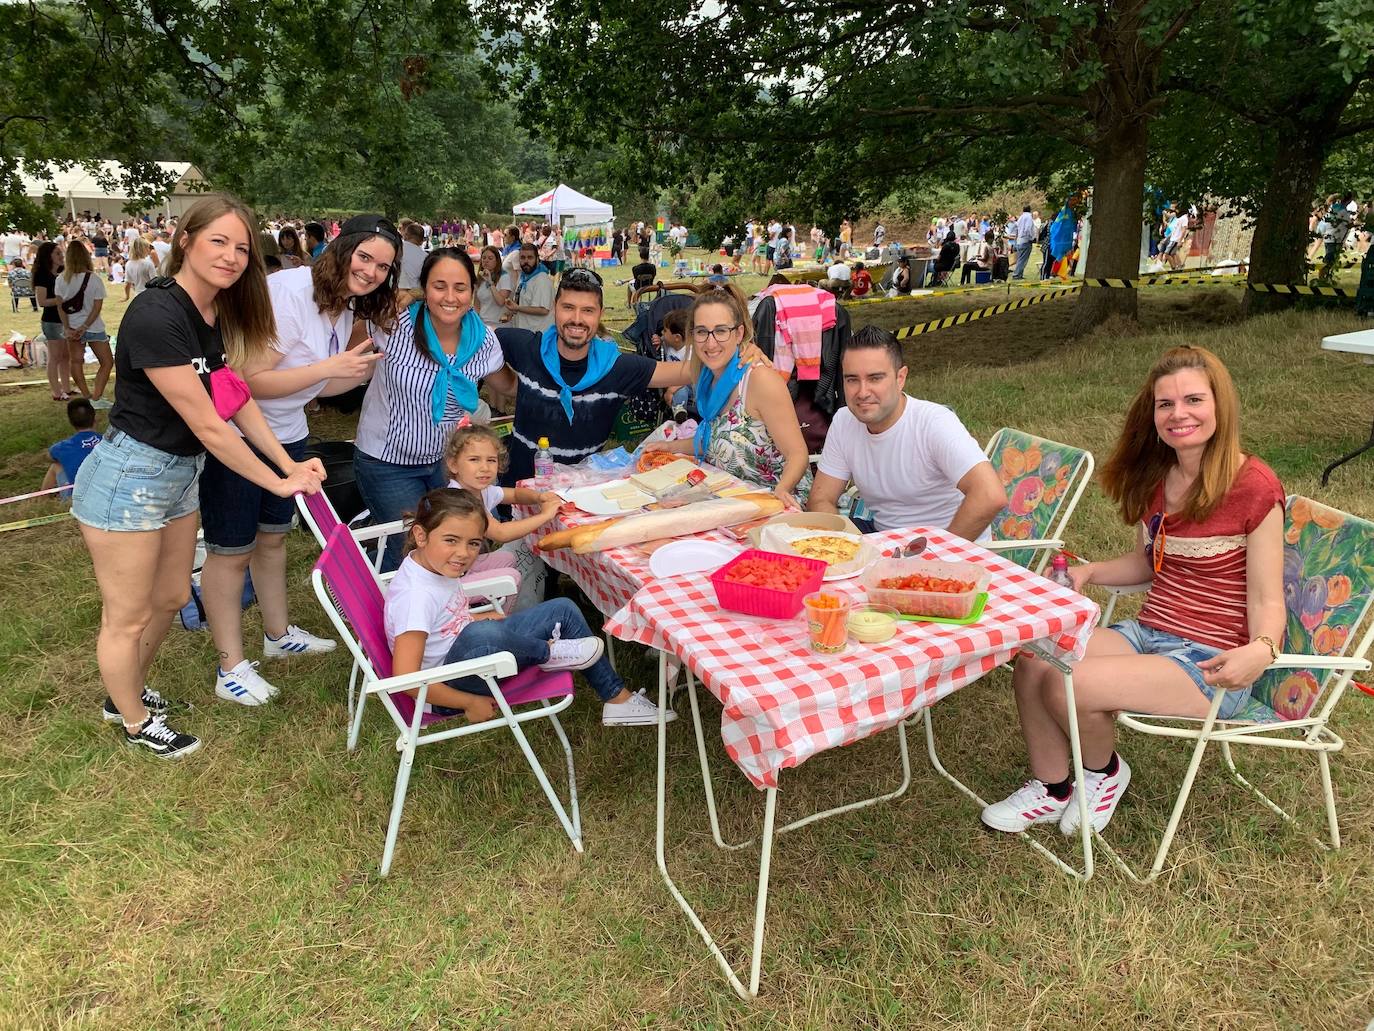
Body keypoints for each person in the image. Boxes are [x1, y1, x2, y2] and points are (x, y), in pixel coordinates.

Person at [980, 346, 1285, 836]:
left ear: (1219, 405)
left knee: (1069, 682)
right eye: (1166, 404)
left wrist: (1262, 649)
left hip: (1211, 662)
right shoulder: (1158, 478)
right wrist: (1091, 573)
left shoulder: (1254, 486)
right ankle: (1054, 786)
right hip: (1149, 633)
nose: (1179, 414)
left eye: (1193, 400)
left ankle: (1104, 774)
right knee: (1036, 656)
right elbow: (1150, 562)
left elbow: (1269, 600)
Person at [71, 194, 326, 757]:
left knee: (166, 598)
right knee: (128, 614)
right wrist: (276, 482)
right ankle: (134, 718)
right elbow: (211, 427)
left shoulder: (210, 313)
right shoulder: (157, 314)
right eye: (219, 242)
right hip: (131, 478)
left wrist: (288, 462)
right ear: (185, 240)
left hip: (179, 476)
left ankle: (127, 693)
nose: (232, 257)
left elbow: (233, 398)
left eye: (242, 248)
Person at [201, 215, 396, 705]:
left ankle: (277, 633)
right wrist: (331, 366)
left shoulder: (343, 308)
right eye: (365, 256)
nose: (371, 271)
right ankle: (230, 668)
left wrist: (364, 372)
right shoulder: (289, 292)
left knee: (272, 539)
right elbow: (248, 380)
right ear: (342, 248)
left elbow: (316, 384)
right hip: (239, 436)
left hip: (288, 434)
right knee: (231, 551)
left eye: (384, 267)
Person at [386, 488, 674, 725]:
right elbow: (407, 678)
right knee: (482, 635)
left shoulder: (432, 566)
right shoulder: (416, 595)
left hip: (468, 655)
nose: (463, 553)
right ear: (421, 536)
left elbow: (444, 624)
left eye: (473, 543)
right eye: (451, 540)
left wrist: (473, 620)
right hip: (449, 691)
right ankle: (547, 653)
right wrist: (469, 702)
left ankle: (617, 699)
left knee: (562, 608)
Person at [484, 268, 726, 484]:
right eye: (568, 307)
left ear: (600, 314)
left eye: (587, 310)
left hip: (579, 500)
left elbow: (686, 371)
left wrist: (736, 351)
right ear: (555, 308)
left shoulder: (617, 367)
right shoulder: (527, 347)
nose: (577, 319)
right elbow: (476, 337)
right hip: (517, 495)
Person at [353, 246, 506, 571]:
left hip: (442, 461)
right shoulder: (393, 324)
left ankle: (447, 615)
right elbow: (346, 349)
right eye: (439, 286)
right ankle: (390, 602)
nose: (450, 297)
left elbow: (506, 384)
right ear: (424, 288)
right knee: (413, 551)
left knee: (448, 543)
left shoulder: (484, 341)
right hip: (387, 462)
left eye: (460, 287)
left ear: (472, 289)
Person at [807, 326, 1006, 539]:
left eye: (875, 378)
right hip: (882, 538)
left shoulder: (933, 422)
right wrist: (847, 545)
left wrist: (940, 552)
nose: (862, 392)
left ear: (900, 378)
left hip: (945, 546)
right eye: (852, 379)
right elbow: (820, 499)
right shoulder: (844, 420)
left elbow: (990, 495)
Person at [641, 286, 810, 502]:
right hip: (728, 500)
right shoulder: (705, 376)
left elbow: (797, 455)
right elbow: (715, 439)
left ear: (739, 333)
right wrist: (669, 447)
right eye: (702, 332)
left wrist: (781, 493)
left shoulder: (760, 380)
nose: (711, 343)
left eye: (721, 331)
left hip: (773, 502)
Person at [54, 240, 112, 406]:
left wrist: (67, 327)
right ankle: (96, 397)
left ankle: (87, 396)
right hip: (93, 327)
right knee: (107, 362)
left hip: (72, 327)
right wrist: (85, 326)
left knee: (76, 361)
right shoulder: (93, 279)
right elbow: (97, 307)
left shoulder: (60, 280)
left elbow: (61, 307)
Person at [33, 241, 72, 401]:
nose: (61, 256)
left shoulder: (63, 272)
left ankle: (67, 388)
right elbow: (42, 301)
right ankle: (56, 392)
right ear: (48, 256)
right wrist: (61, 300)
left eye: (61, 253)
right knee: (54, 357)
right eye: (57, 253)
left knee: (65, 356)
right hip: (51, 321)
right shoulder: (42, 275)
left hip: (65, 319)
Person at [41, 397, 101, 491]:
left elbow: (48, 457)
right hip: (108, 491)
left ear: (71, 422)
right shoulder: (108, 442)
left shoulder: (62, 447)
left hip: (78, 496)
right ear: (95, 419)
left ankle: (42, 499)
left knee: (56, 465)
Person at [500, 243, 554, 332]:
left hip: (536, 335)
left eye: (530, 257)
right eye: (522, 258)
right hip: (523, 332)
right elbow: (521, 302)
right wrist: (511, 312)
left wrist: (517, 308)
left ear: (537, 259)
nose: (526, 261)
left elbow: (543, 310)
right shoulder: (523, 277)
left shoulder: (542, 279)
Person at [474, 245, 510, 327]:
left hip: (498, 324)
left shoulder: (504, 277)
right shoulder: (480, 278)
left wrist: (490, 282)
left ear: (497, 261)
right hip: (483, 323)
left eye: (490, 258)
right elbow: (476, 304)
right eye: (484, 258)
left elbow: (501, 302)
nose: (486, 261)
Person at [396, 221, 428, 291]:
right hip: (416, 294)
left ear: (405, 235)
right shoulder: (426, 257)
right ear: (422, 240)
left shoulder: (395, 250)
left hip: (394, 291)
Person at [1012, 205, 1036, 280]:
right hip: (1025, 240)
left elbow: (1016, 226)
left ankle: (1019, 274)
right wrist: (1030, 238)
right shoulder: (1029, 217)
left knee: (1020, 258)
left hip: (1019, 240)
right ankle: (1016, 274)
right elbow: (1028, 229)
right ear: (1030, 210)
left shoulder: (1021, 217)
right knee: (1023, 259)